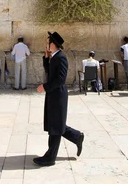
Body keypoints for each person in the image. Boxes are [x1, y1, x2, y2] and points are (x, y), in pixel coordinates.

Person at [34, 31, 84, 167]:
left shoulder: (61, 58)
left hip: (58, 94)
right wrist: (46, 58)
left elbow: (60, 79)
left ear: (54, 44)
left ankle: (50, 157)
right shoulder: (54, 57)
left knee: (55, 125)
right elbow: (49, 72)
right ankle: (77, 136)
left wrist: (44, 86)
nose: (47, 45)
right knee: (55, 123)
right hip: (53, 94)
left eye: (48, 42)